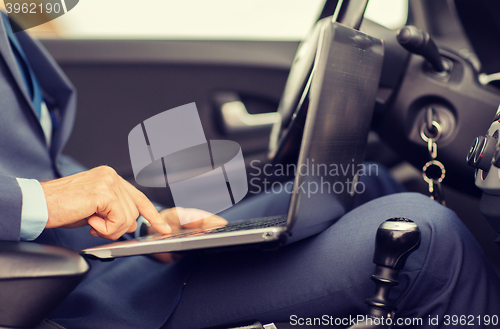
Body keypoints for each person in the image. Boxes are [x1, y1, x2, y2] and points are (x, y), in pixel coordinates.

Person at [0, 12, 499, 329]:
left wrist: (142, 223)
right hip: (54, 294)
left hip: (100, 257)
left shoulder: (11, 30)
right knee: (427, 237)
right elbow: (39, 187)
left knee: (363, 184)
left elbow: (36, 162)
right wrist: (37, 203)